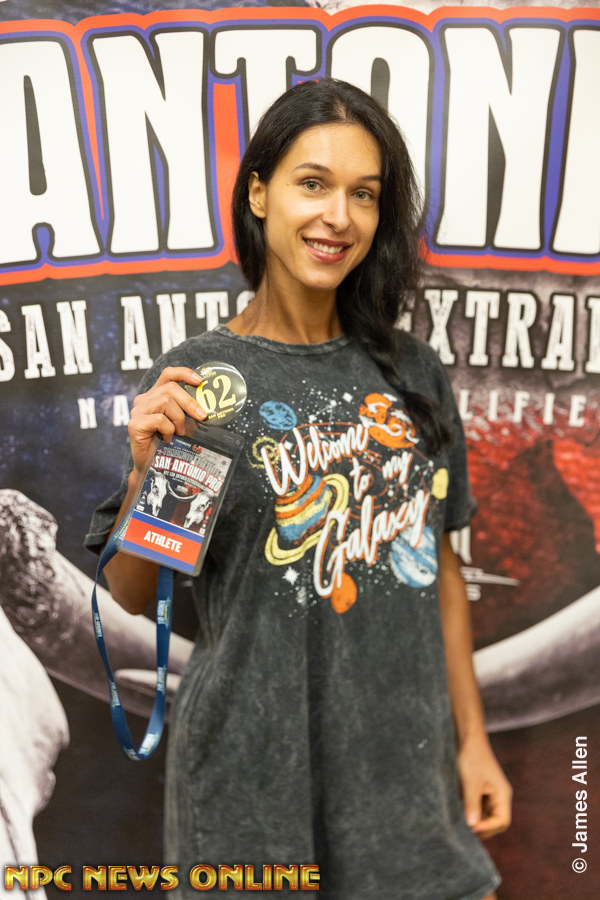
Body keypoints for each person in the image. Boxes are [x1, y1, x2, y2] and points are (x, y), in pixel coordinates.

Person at [86, 78, 511, 898]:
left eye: (364, 194)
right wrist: (144, 476)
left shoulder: (412, 373)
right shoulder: (208, 382)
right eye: (312, 183)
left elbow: (441, 568)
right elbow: (135, 594)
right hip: (247, 790)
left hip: (402, 788)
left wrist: (473, 741)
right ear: (259, 193)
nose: (337, 216)